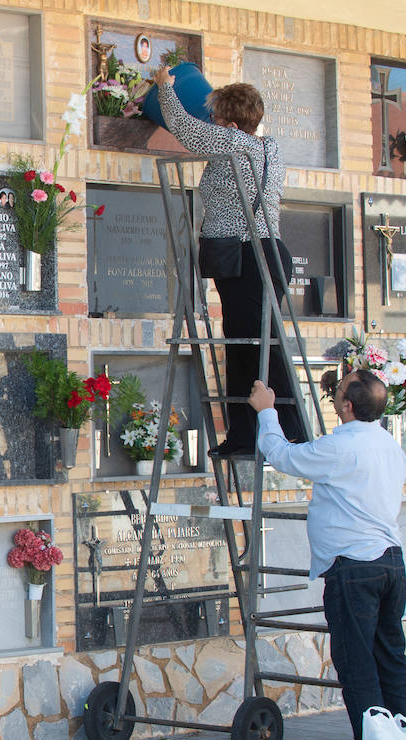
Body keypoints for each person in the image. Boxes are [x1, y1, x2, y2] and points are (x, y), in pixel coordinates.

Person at [248, 371, 406, 740]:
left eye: (337, 392)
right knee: (391, 656)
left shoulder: (341, 446)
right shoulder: (391, 445)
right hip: (391, 561)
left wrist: (266, 412)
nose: (333, 396)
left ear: (347, 406)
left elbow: (283, 455)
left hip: (355, 567)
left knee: (355, 660)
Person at [152, 66, 306, 455]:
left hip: (245, 255)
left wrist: (165, 88)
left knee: (254, 346)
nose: (213, 124)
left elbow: (182, 127)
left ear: (232, 123)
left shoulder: (233, 143)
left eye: (218, 118)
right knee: (251, 345)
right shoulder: (269, 146)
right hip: (268, 252)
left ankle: (290, 431)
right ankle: (250, 435)